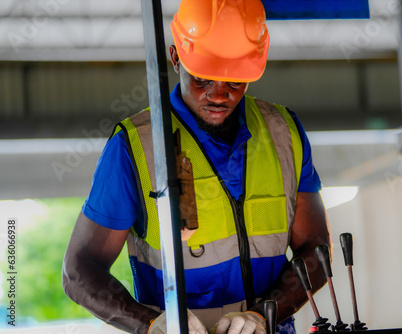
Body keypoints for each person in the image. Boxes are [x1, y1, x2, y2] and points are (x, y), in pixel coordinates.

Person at [62, 0, 331, 333]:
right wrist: (149, 325)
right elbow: (78, 270)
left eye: (234, 82)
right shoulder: (135, 148)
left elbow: (315, 250)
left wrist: (262, 315)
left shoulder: (285, 133)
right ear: (176, 57)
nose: (219, 95)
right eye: (203, 79)